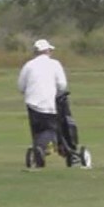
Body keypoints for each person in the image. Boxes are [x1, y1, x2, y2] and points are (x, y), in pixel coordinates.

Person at [18, 38, 68, 168]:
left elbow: (21, 86)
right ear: (47, 51)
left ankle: (37, 151)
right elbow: (62, 85)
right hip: (48, 103)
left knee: (36, 130)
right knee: (50, 129)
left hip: (31, 104)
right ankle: (40, 150)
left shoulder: (28, 65)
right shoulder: (55, 64)